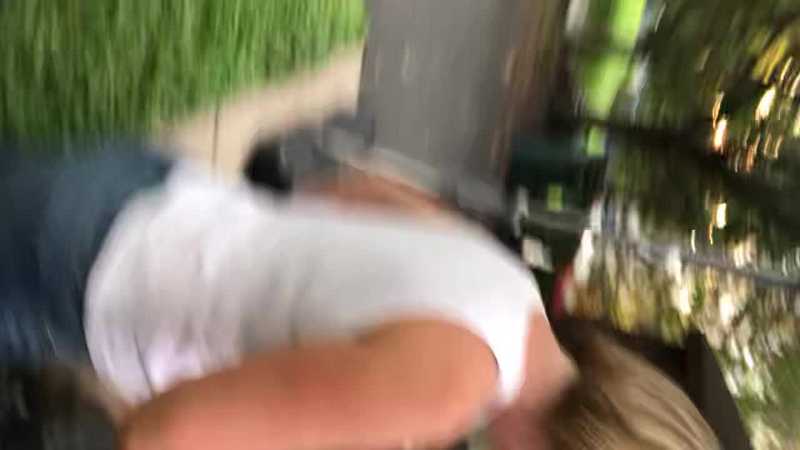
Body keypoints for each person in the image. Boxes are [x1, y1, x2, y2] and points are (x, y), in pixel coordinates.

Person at [0, 141, 718, 450]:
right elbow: (161, 433)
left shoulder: (512, 292)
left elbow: (350, 192)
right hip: (91, 276)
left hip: (144, 193)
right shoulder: (451, 385)